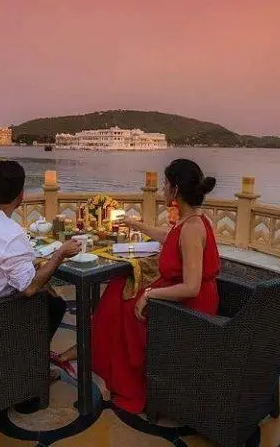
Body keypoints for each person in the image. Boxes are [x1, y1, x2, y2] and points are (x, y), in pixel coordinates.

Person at [56, 159, 220, 414]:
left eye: (166, 184)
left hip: (189, 310)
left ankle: (122, 376)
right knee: (118, 286)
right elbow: (168, 237)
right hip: (181, 299)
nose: (163, 189)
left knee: (121, 305)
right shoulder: (192, 220)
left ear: (176, 190)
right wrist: (134, 224)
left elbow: (191, 287)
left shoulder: (192, 229)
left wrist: (150, 295)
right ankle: (98, 355)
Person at [0, 160, 81, 380]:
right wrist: (59, 254)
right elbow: (29, 288)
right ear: (21, 195)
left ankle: (24, 359)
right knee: (54, 305)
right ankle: (29, 369)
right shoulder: (11, 234)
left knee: (45, 293)